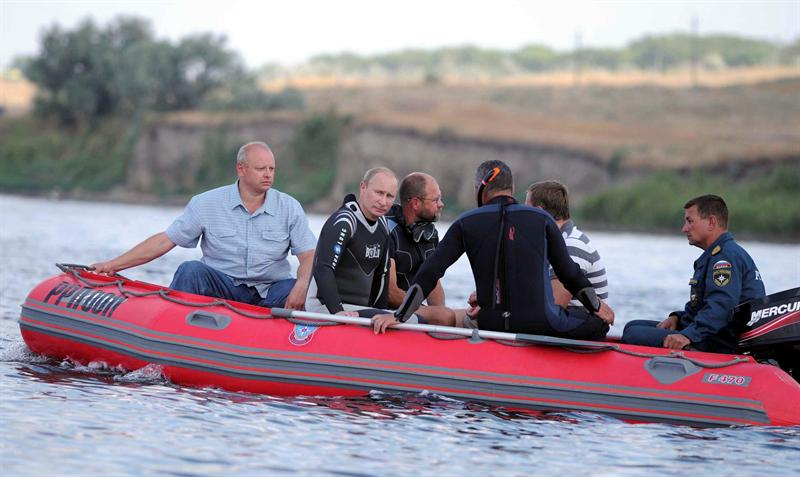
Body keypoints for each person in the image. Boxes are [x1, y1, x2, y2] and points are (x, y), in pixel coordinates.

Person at [372, 160, 615, 338]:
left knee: (464, 314)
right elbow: (569, 273)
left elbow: (430, 272)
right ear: (512, 187)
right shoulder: (542, 220)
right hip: (541, 324)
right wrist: (596, 306)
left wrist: (399, 315)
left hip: (491, 323)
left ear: (480, 188)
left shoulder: (465, 223)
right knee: (599, 325)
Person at [91, 141, 316, 309]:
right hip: (222, 287)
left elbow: (309, 256)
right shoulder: (206, 203)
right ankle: (172, 329)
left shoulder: (289, 207)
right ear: (241, 169)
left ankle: (285, 341)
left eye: (271, 169)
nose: (268, 175)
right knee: (190, 270)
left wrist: (303, 283)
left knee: (301, 287)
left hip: (270, 292)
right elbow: (165, 241)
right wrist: (113, 265)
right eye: (261, 169)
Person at [622, 195, 765, 353]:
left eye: (690, 221)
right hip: (712, 332)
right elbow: (705, 306)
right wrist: (678, 318)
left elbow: (722, 306)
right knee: (633, 325)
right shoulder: (721, 253)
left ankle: (689, 354)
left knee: (633, 334)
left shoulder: (724, 258)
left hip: (719, 340)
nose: (684, 228)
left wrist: (688, 335)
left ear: (711, 222)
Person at [305, 167, 398, 317]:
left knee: (415, 319)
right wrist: (338, 311)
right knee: (405, 320)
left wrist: (381, 315)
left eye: (389, 196)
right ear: (363, 187)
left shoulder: (383, 226)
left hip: (357, 310)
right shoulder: (345, 221)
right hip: (324, 307)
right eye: (379, 193)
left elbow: (382, 276)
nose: (383, 202)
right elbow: (323, 268)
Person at [525, 180, 610, 313]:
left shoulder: (571, 245)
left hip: (580, 320)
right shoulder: (557, 241)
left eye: (527, 210)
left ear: (539, 212)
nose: (524, 216)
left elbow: (554, 305)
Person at [385, 172, 457, 326]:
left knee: (450, 315)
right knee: (444, 316)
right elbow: (390, 293)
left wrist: (437, 311)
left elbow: (433, 282)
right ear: (416, 203)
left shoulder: (430, 234)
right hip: (387, 310)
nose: (441, 204)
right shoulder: (387, 230)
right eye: (436, 200)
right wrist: (431, 313)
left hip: (410, 308)